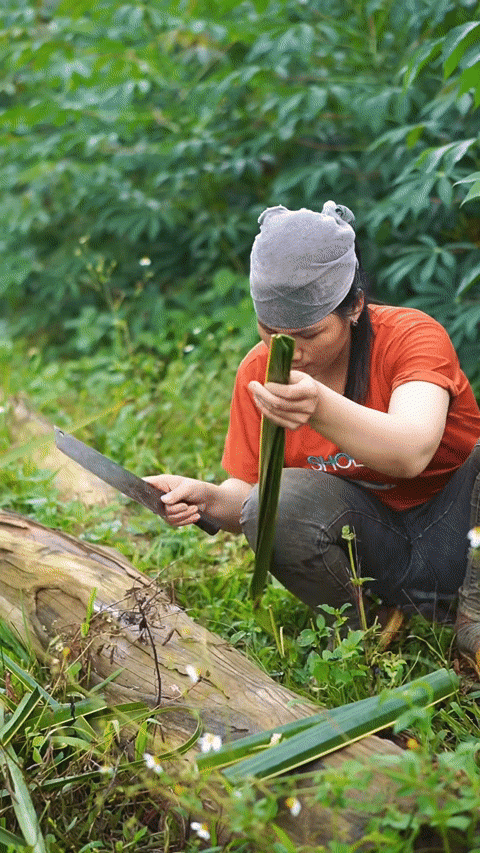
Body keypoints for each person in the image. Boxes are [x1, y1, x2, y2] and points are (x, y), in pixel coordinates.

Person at [146, 201, 480, 659]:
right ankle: (370, 628)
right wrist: (205, 499)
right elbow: (252, 501)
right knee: (273, 501)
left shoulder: (410, 337)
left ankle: (471, 619)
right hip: (374, 549)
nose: (291, 352)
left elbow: (411, 452)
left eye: (309, 335)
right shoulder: (259, 372)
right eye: (271, 332)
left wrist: (320, 407)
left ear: (356, 306)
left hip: (456, 528)